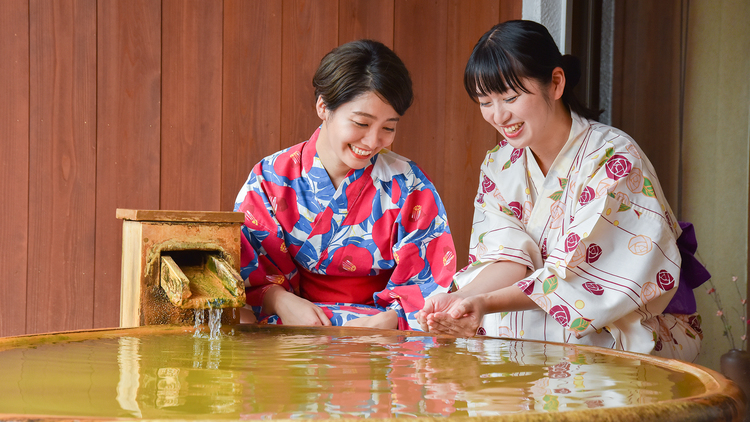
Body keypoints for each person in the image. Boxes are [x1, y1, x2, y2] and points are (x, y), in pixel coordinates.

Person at [417, 20, 707, 361]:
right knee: (489, 333)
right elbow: (506, 259)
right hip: (539, 307)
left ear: (555, 83)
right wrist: (463, 298)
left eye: (510, 97)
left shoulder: (613, 158)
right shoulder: (501, 163)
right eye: (485, 102)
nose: (499, 115)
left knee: (548, 333)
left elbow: (585, 282)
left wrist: (484, 303)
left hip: (613, 316)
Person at [234, 39, 456, 331]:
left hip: (380, 337)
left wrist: (389, 321)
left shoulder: (410, 185)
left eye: (388, 127)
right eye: (361, 123)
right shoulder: (270, 177)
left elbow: (427, 288)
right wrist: (279, 300)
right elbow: (247, 271)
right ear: (323, 106)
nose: (373, 141)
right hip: (291, 329)